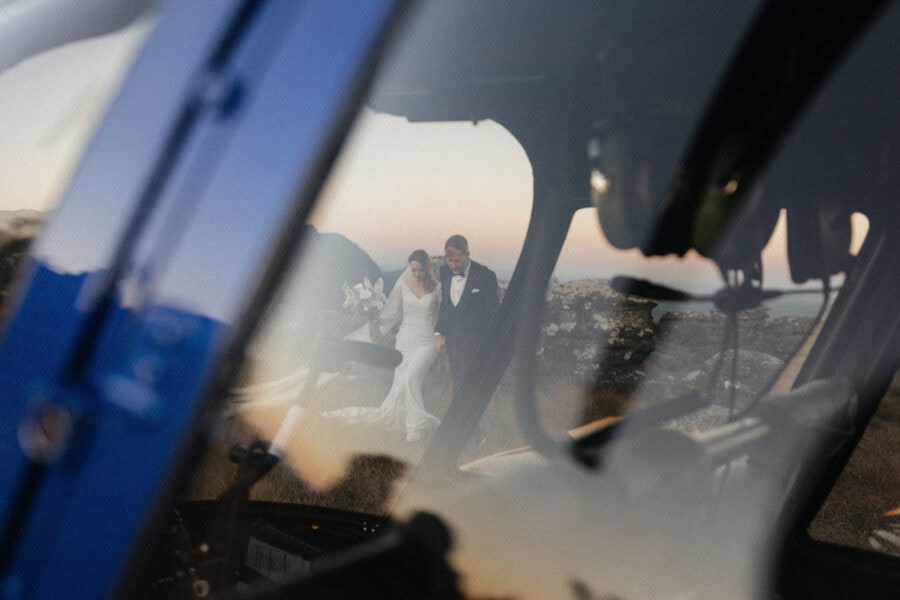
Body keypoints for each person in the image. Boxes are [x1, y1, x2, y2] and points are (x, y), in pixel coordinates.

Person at [322, 249, 441, 442]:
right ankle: (428, 423)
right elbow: (399, 315)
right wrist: (376, 320)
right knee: (402, 387)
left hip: (427, 342)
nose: (417, 274)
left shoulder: (437, 288)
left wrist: (439, 335)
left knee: (412, 378)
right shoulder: (403, 284)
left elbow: (442, 317)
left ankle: (416, 428)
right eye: (414, 270)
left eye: (420, 270)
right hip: (405, 341)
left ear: (427, 268)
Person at [434, 235, 499, 393]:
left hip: (476, 342)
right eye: (450, 261)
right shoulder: (444, 272)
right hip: (453, 340)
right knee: (457, 380)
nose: (453, 266)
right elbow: (445, 305)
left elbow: (493, 312)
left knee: (474, 384)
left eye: (458, 261)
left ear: (467, 254)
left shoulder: (486, 276)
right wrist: (439, 331)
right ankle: (459, 414)